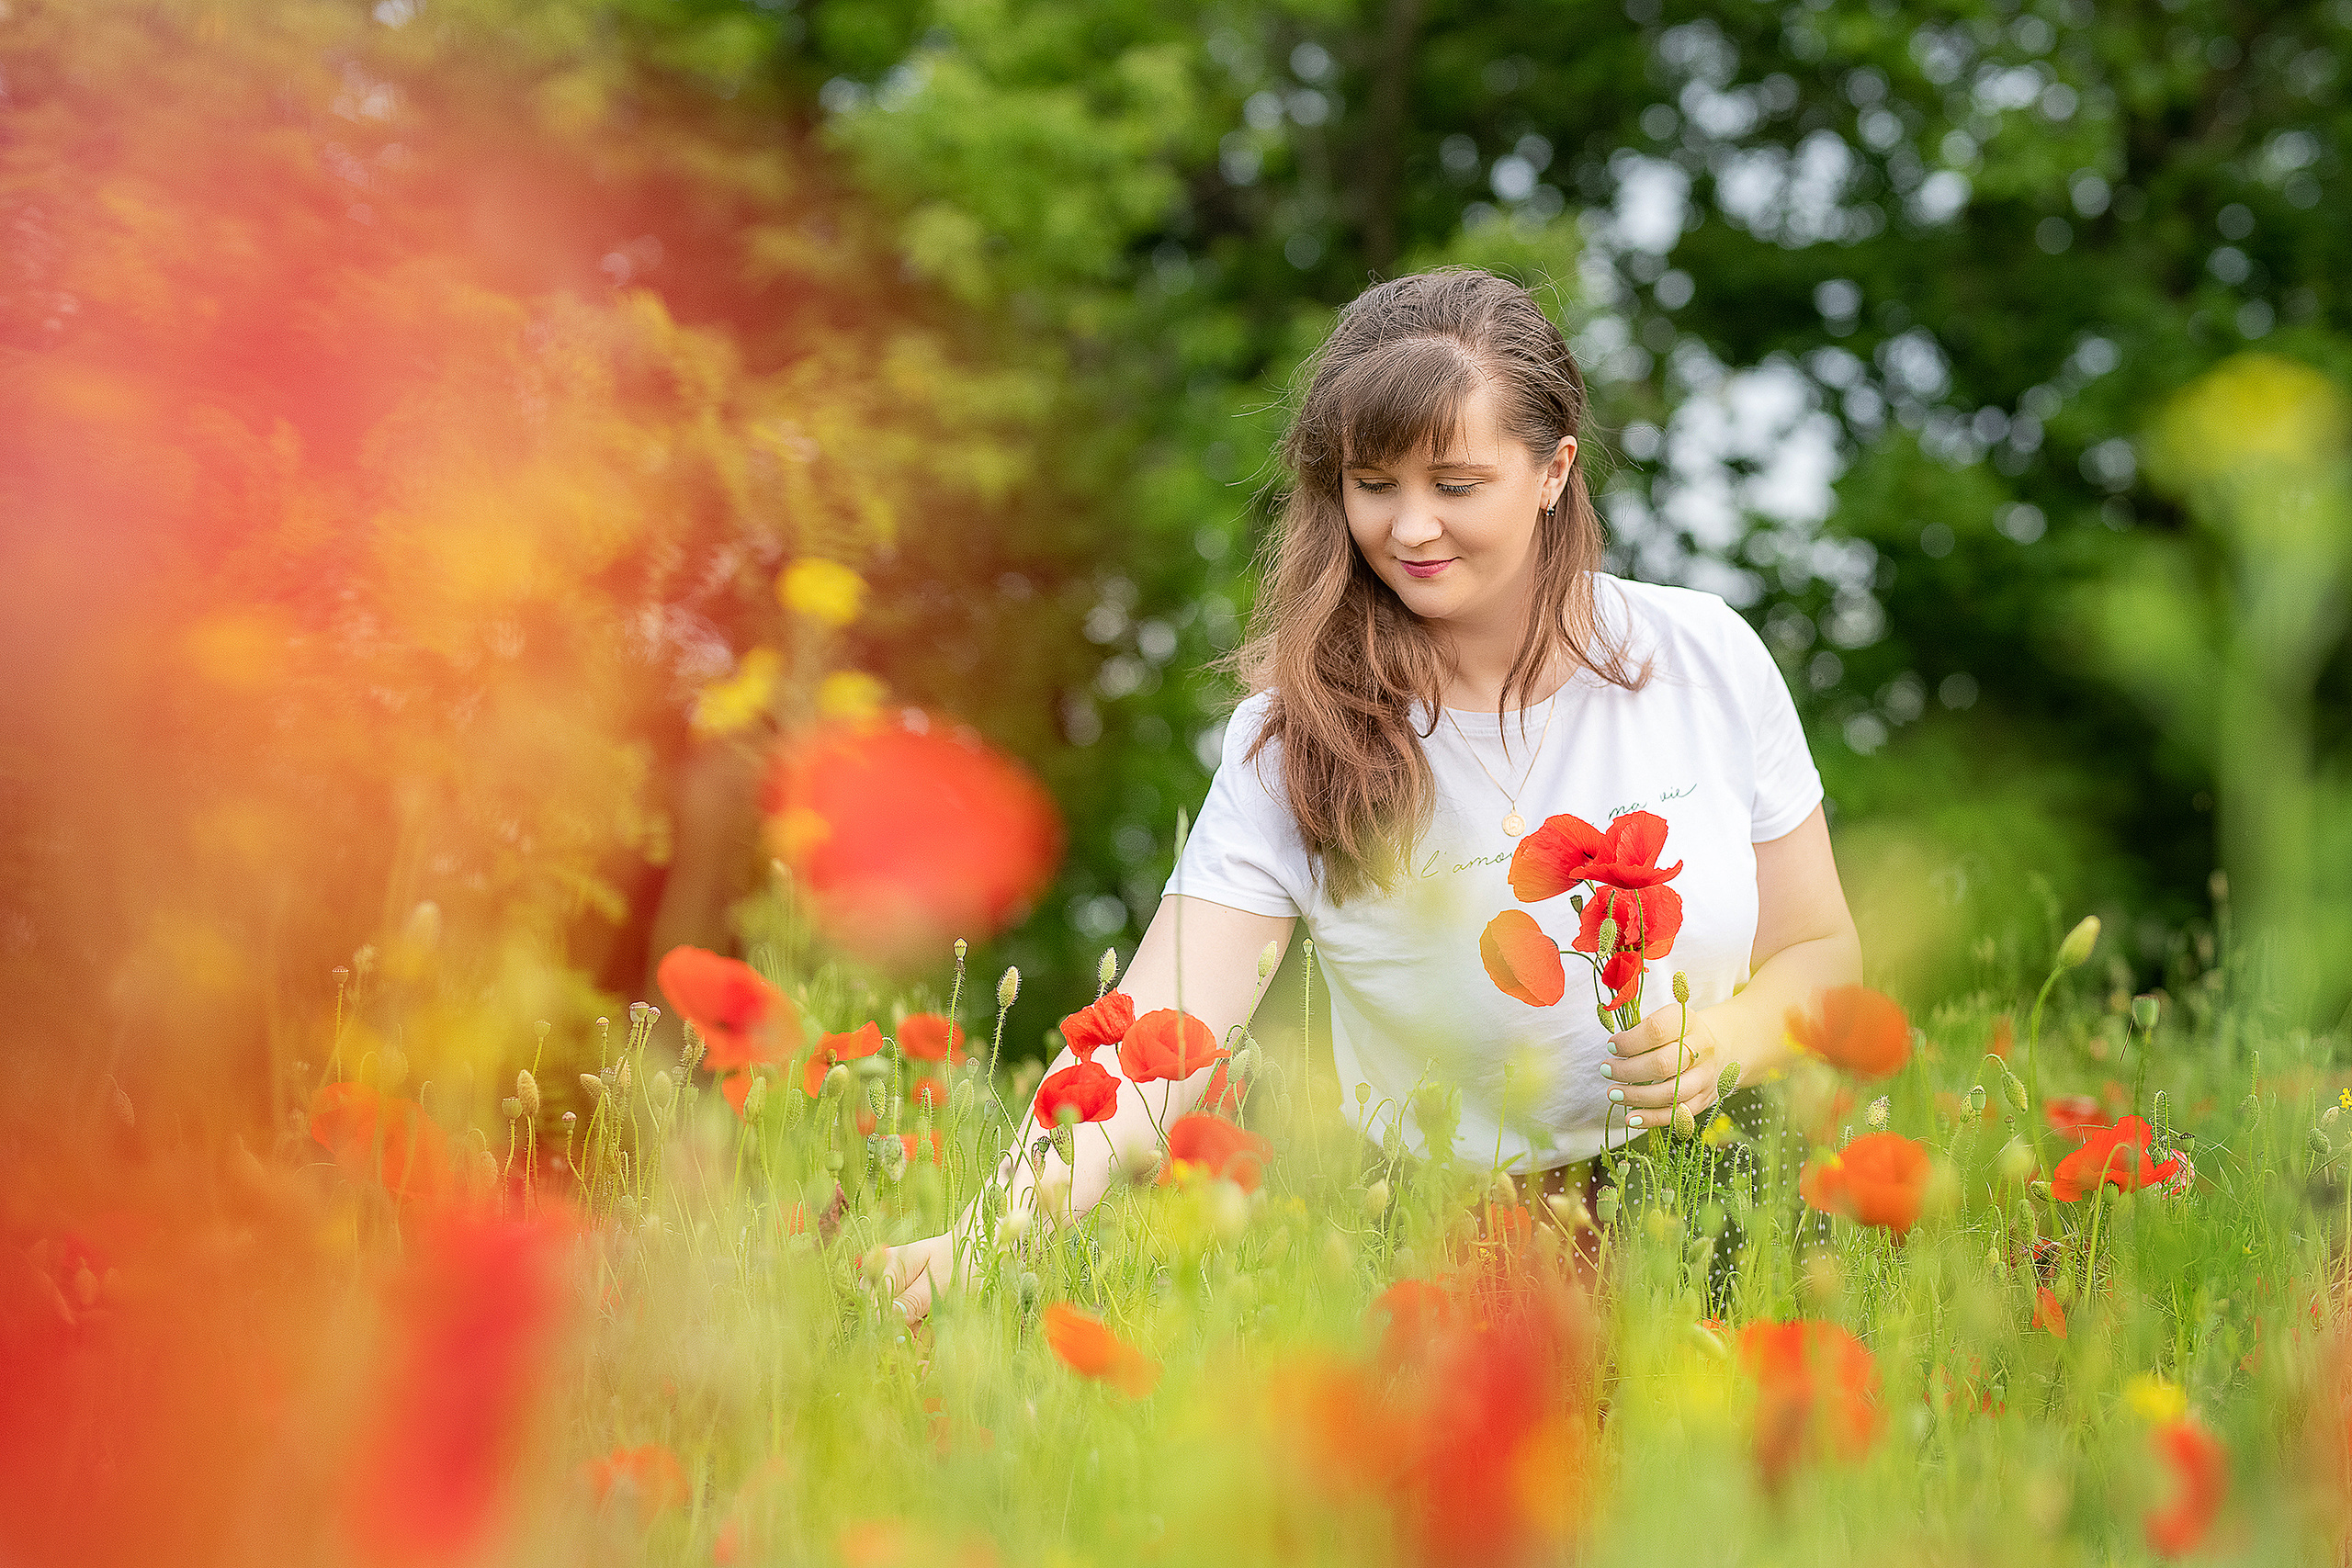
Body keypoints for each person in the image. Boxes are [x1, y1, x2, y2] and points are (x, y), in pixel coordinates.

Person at [884, 266, 1860, 1319]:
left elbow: (1821, 953)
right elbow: (1158, 1035)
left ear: (1552, 470)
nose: (1408, 529)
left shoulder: (1702, 656)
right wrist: (984, 1237)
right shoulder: (1295, 737)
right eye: (1372, 483)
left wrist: (1726, 1041)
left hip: (1727, 1211)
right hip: (1446, 1250)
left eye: (1454, 484)